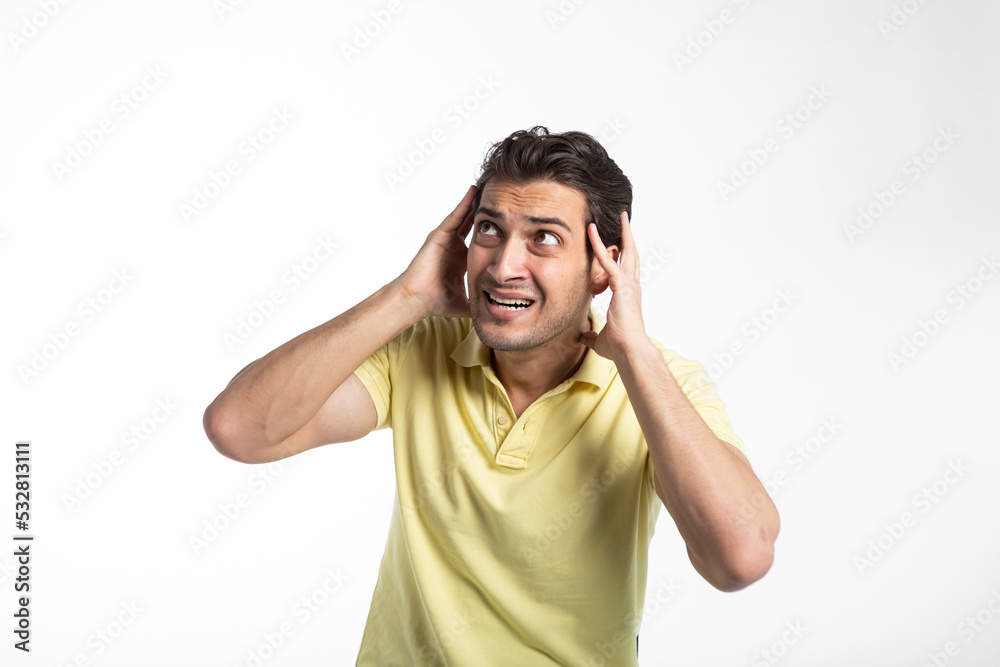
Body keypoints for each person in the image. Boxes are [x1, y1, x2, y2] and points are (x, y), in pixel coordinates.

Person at [203, 126, 780, 666]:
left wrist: (635, 354)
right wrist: (408, 296)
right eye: (489, 230)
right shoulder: (420, 350)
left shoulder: (659, 386)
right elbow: (240, 430)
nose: (505, 266)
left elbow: (740, 559)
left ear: (605, 267)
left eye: (544, 239)